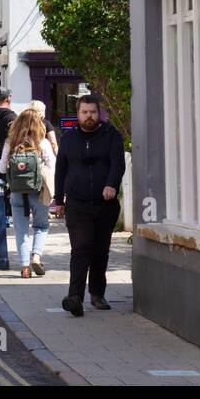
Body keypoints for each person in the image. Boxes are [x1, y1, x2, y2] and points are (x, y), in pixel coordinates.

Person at [53, 94, 125, 317]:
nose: (89, 116)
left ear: (98, 113)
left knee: (100, 250)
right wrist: (59, 200)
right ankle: (75, 297)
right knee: (81, 247)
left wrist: (112, 184)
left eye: (92, 112)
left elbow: (118, 163)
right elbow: (60, 169)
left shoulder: (111, 135)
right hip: (77, 203)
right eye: (84, 113)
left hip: (105, 204)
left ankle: (96, 294)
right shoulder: (69, 138)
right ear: (78, 115)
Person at [0, 108, 54, 278]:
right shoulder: (42, 142)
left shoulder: (11, 142)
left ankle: (24, 267)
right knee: (41, 226)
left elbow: (1, 167)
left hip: (16, 193)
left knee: (21, 231)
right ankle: (36, 256)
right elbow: (52, 166)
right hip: (39, 192)